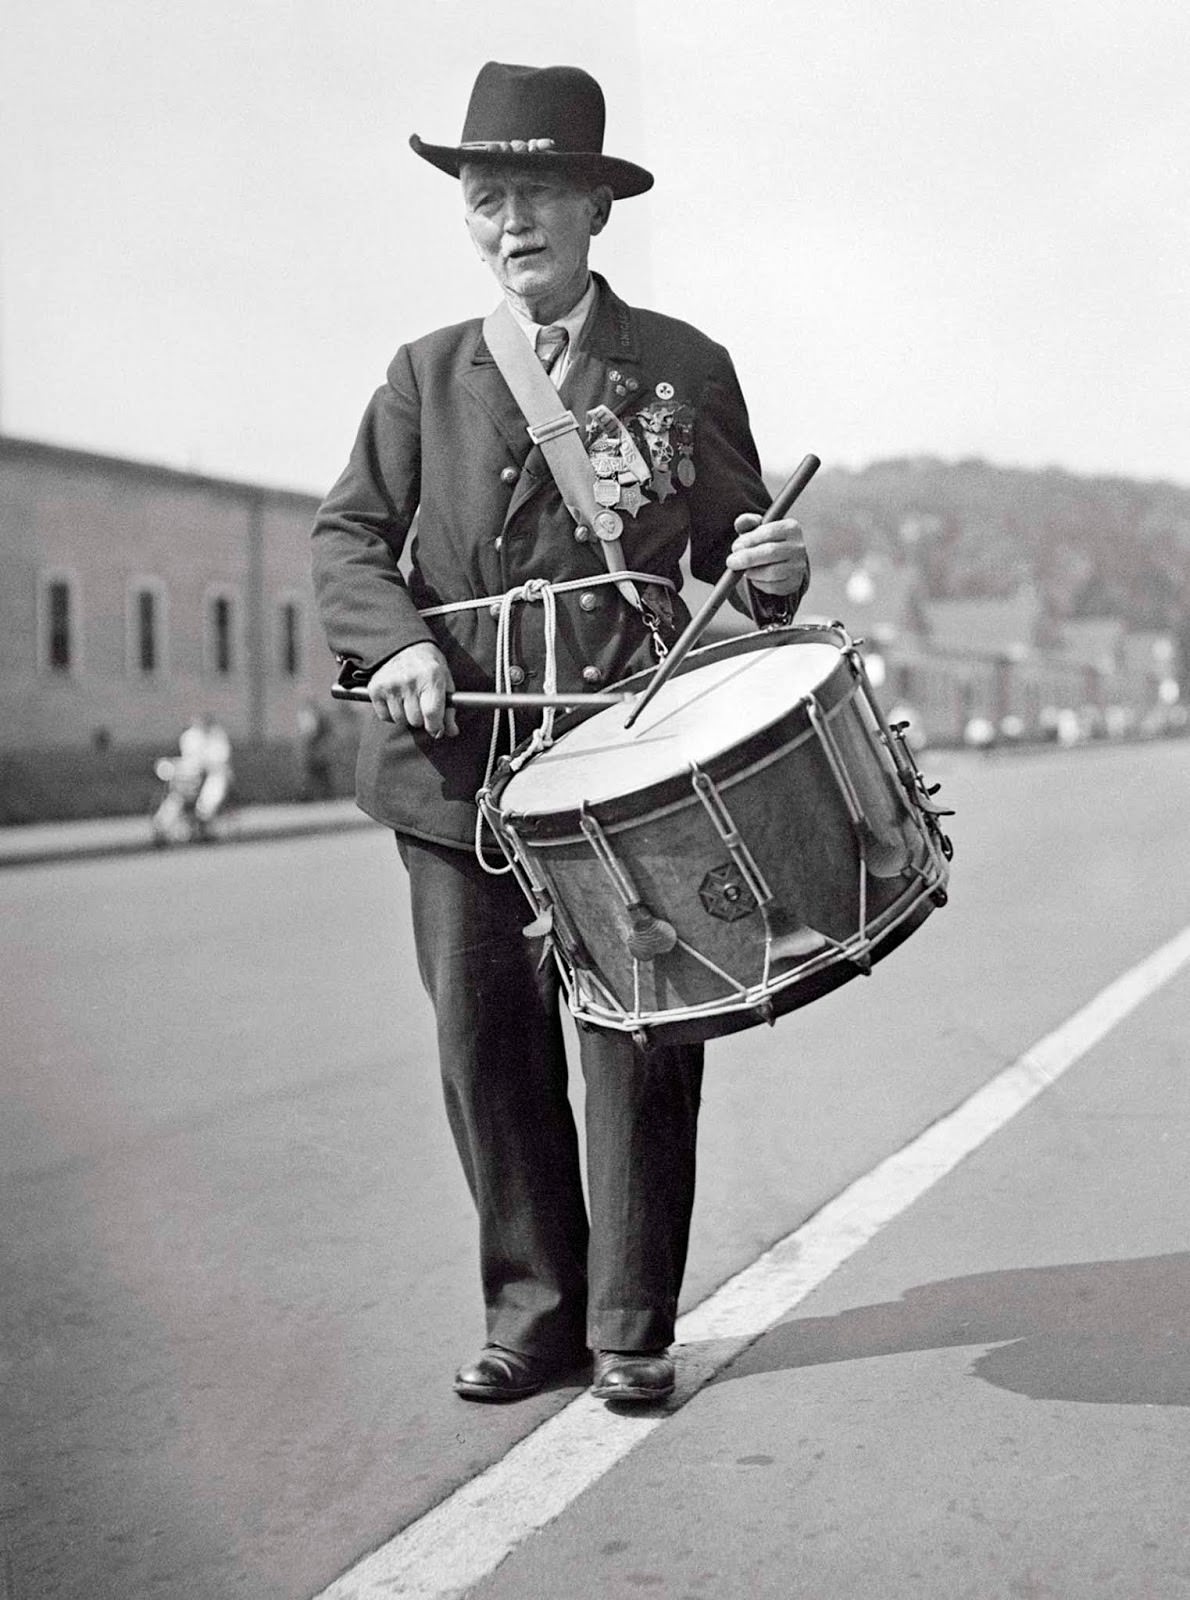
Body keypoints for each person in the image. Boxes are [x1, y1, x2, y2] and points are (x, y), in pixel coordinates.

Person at [311, 62, 809, 1405]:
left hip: (623, 775)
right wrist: (399, 644)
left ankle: (629, 1328)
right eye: (486, 198)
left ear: (595, 210)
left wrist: (769, 566)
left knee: (640, 1049)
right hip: (453, 770)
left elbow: (736, 560)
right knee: (488, 1052)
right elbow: (348, 538)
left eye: (536, 193)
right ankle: (531, 1315)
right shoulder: (423, 377)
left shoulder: (681, 367)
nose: (510, 220)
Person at [296, 697, 336, 801]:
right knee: (316, 773)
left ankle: (314, 795)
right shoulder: (314, 718)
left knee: (319, 772)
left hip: (317, 750)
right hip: (315, 750)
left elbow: (314, 733)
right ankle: (309, 795)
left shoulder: (319, 719)